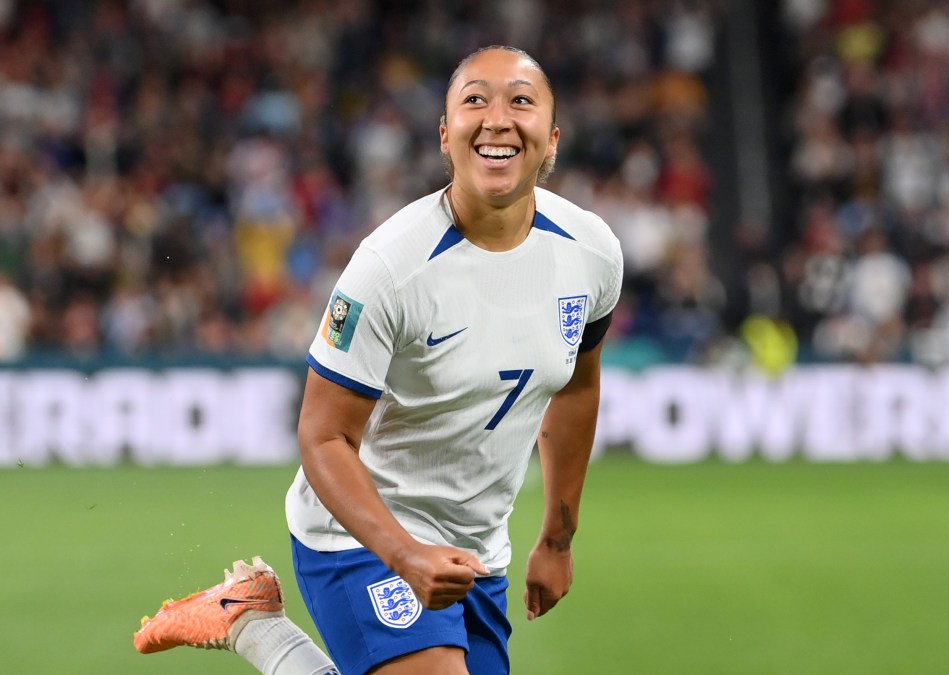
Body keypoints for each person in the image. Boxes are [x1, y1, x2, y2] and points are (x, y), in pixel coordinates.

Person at [134, 44, 623, 675]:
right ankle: (258, 631)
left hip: (475, 550)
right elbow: (322, 434)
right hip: (360, 533)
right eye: (475, 100)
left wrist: (558, 539)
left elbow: (578, 388)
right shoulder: (390, 266)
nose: (498, 118)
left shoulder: (592, 253)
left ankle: (252, 622)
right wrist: (402, 553)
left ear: (551, 138)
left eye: (520, 101)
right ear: (446, 136)